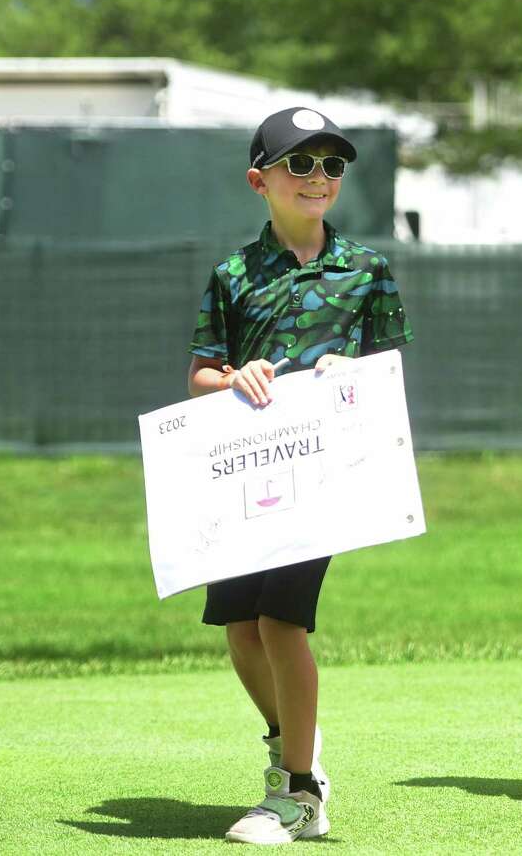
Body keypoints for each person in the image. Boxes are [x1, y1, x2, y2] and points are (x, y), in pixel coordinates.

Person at [187, 106, 413, 843]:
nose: (318, 178)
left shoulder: (368, 269)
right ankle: (294, 744)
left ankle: (298, 791)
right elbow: (200, 376)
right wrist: (233, 379)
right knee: (241, 631)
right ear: (261, 180)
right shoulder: (231, 275)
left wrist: (355, 372)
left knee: (282, 622)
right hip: (245, 479)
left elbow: (391, 369)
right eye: (300, 164)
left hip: (325, 481)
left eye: (332, 166)